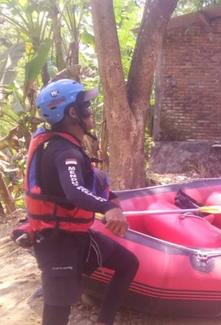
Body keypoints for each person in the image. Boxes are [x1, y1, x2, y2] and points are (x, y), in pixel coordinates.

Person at [26, 79, 139, 325]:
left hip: (76, 236)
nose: (91, 112)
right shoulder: (63, 151)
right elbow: (73, 191)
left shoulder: (65, 146)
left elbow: (79, 184)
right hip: (56, 243)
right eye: (86, 106)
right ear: (72, 112)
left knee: (128, 263)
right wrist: (107, 208)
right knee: (57, 315)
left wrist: (109, 197)